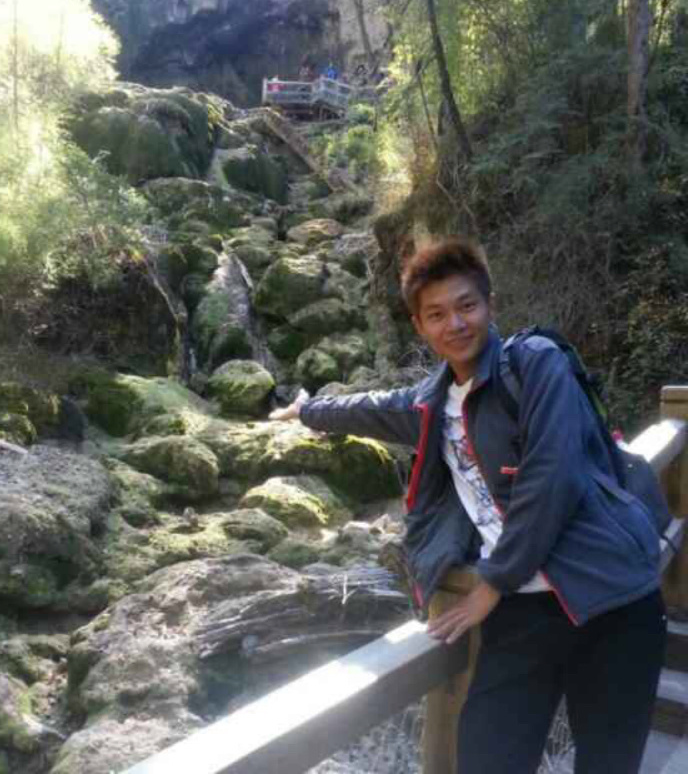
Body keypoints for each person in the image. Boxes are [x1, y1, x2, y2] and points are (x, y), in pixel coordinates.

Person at [270, 241, 666, 774]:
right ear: (419, 326)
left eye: (467, 306)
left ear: (490, 305)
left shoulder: (535, 364)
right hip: (523, 614)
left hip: (610, 597)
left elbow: (550, 478)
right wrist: (307, 410)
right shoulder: (430, 402)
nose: (455, 324)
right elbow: (370, 408)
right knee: (487, 757)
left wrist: (493, 583)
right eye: (436, 314)